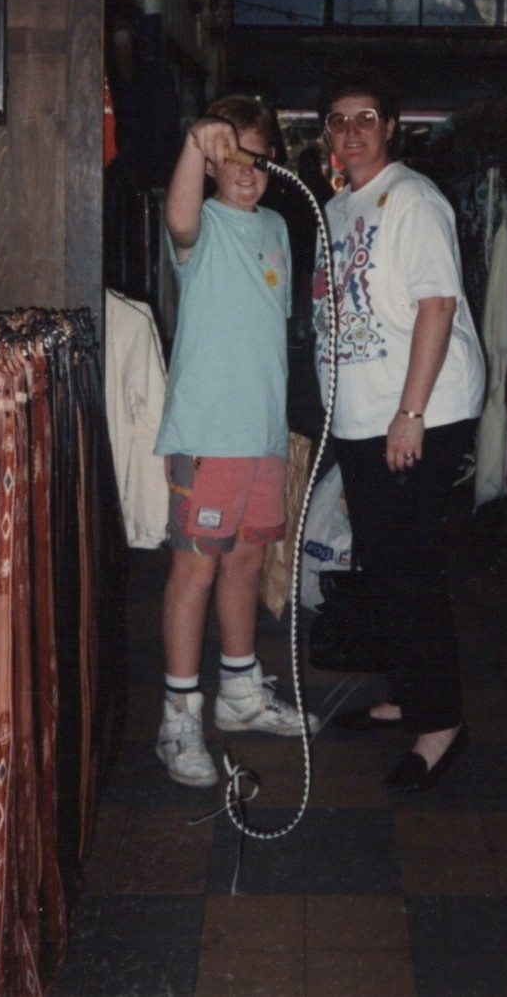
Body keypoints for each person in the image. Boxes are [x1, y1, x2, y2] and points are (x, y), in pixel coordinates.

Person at [312, 66, 486, 792]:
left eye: (366, 118)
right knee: (382, 563)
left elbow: (437, 307)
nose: (351, 130)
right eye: (338, 119)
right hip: (364, 413)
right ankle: (406, 693)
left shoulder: (412, 199)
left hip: (421, 410)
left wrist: (409, 413)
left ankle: (440, 721)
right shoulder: (339, 203)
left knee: (409, 569)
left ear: (389, 129)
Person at [154, 95, 319, 788]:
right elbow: (179, 215)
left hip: (262, 432)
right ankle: (179, 714)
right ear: (215, 160)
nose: (246, 172)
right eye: (232, 157)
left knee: (248, 559)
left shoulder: (279, 225)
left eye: (258, 158)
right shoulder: (201, 223)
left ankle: (241, 691)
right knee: (196, 566)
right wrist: (198, 143)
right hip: (209, 433)